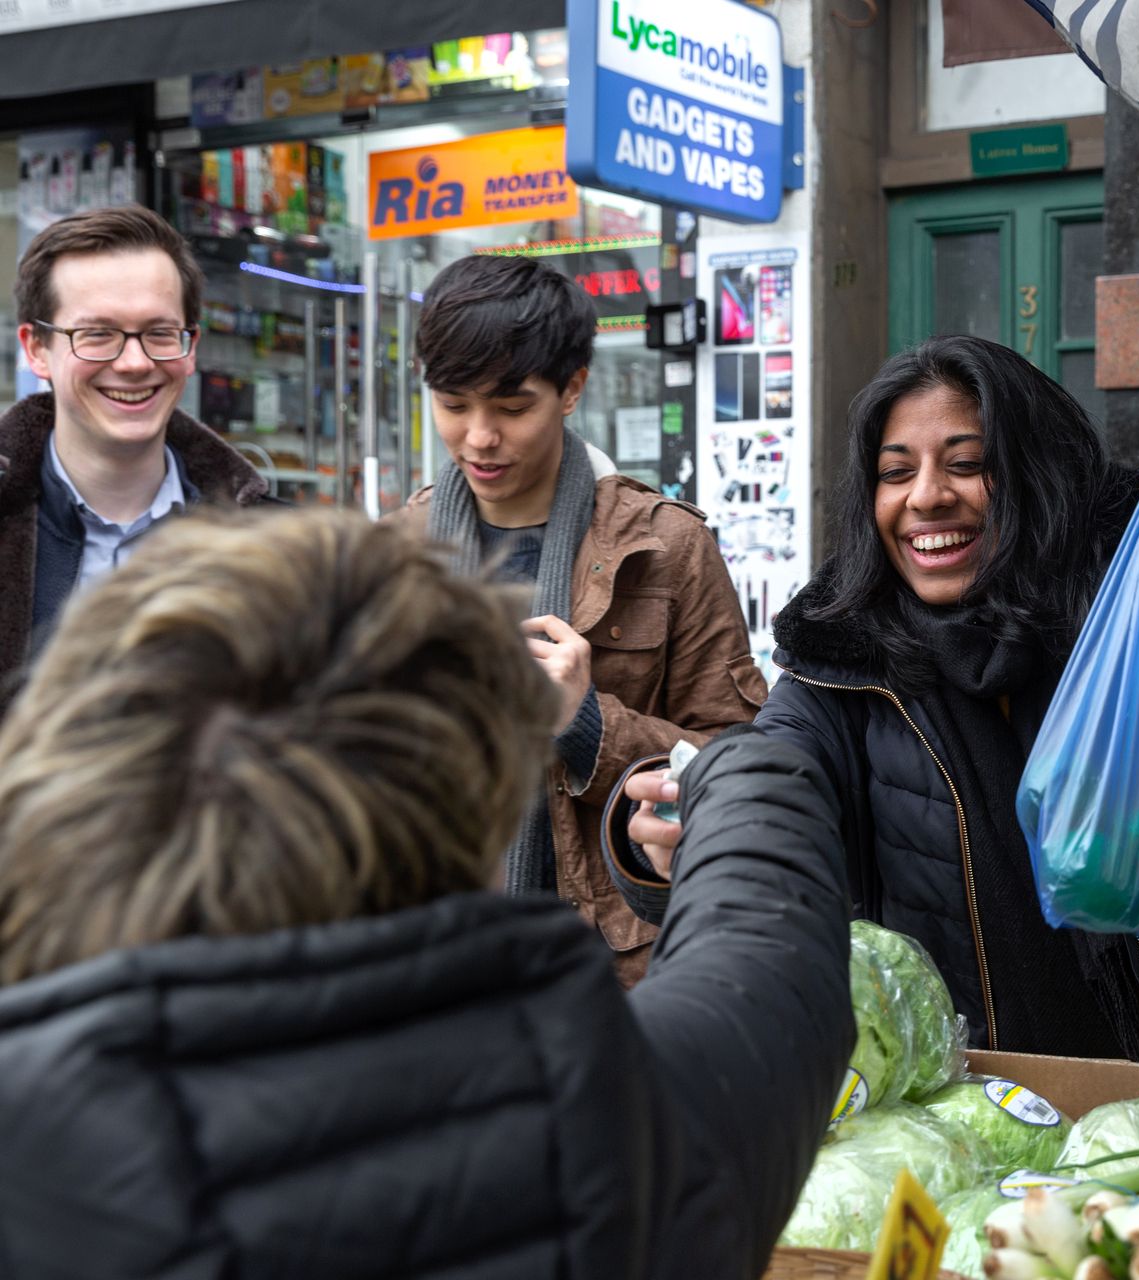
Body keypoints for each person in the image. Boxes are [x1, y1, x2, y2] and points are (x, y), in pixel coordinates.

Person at [0, 509, 853, 1280]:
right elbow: (767, 942)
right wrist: (731, 761)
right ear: (477, 813)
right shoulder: (635, 1122)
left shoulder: (35, 1161)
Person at [610, 306, 1139, 1069]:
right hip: (981, 1106)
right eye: (895, 473)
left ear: (1033, 474)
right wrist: (680, 832)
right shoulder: (839, 663)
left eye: (966, 463)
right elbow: (775, 775)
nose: (926, 497)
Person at [392, 254, 765, 985]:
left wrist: (588, 725)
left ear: (571, 389)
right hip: (433, 963)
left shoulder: (666, 546)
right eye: (453, 403)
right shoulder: (395, 549)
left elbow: (745, 768)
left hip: (613, 970)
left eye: (510, 405)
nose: (478, 437)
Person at [1, 205, 270, 689]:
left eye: (159, 333)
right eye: (97, 334)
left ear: (190, 348)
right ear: (37, 349)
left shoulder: (276, 549)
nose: (133, 362)